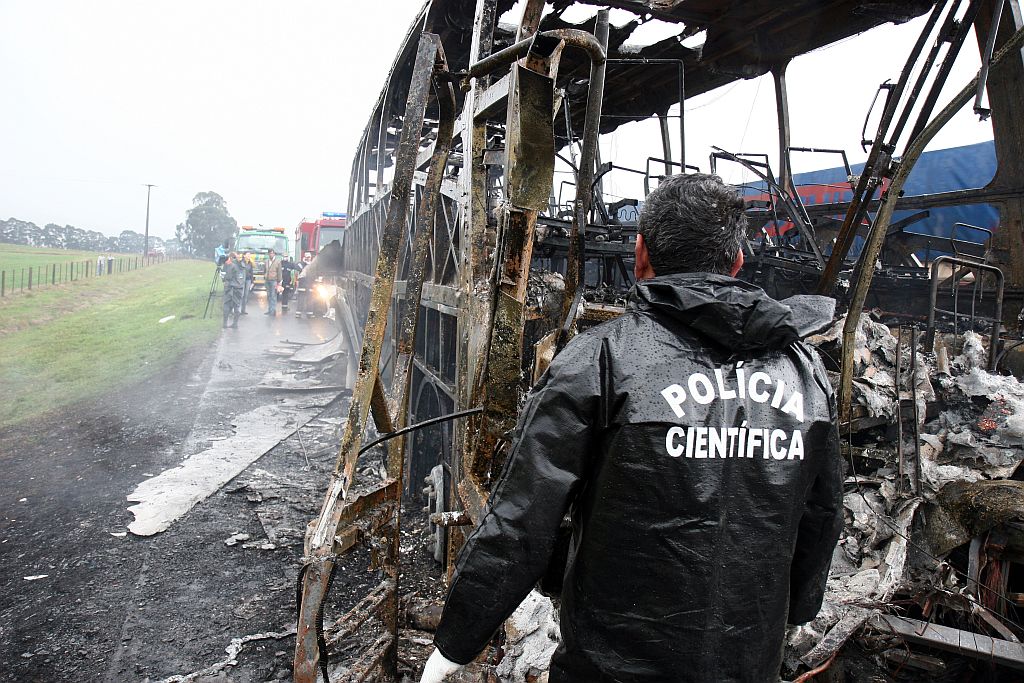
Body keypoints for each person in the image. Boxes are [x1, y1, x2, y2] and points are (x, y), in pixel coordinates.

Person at [421, 173, 843, 683]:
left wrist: (455, 645)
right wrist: (796, 609)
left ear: (641, 253)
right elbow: (822, 514)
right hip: (746, 663)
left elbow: (521, 523)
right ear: (736, 262)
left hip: (609, 668)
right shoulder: (804, 371)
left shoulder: (600, 360)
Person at [221, 252, 244, 329]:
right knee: (236, 305)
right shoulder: (241, 265)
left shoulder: (230, 265)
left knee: (226, 304)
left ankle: (225, 323)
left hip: (230, 288)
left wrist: (222, 274)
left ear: (230, 257)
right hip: (239, 288)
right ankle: (235, 324)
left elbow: (225, 277)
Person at [264, 248, 282, 316]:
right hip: (267, 280)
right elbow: (264, 270)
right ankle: (269, 310)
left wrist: (279, 281)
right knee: (268, 296)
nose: (271, 254)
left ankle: (273, 310)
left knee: (273, 296)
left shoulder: (278, 261)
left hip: (274, 280)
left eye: (272, 253)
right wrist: (264, 276)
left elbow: (279, 272)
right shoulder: (266, 261)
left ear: (274, 254)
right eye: (270, 253)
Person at [239, 250, 254, 315]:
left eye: (249, 255)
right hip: (242, 280)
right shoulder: (241, 262)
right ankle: (238, 310)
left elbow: (251, 272)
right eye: (248, 255)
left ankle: (243, 310)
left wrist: (252, 281)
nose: (249, 256)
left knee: (246, 295)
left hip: (248, 280)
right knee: (241, 295)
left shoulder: (250, 263)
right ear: (244, 255)